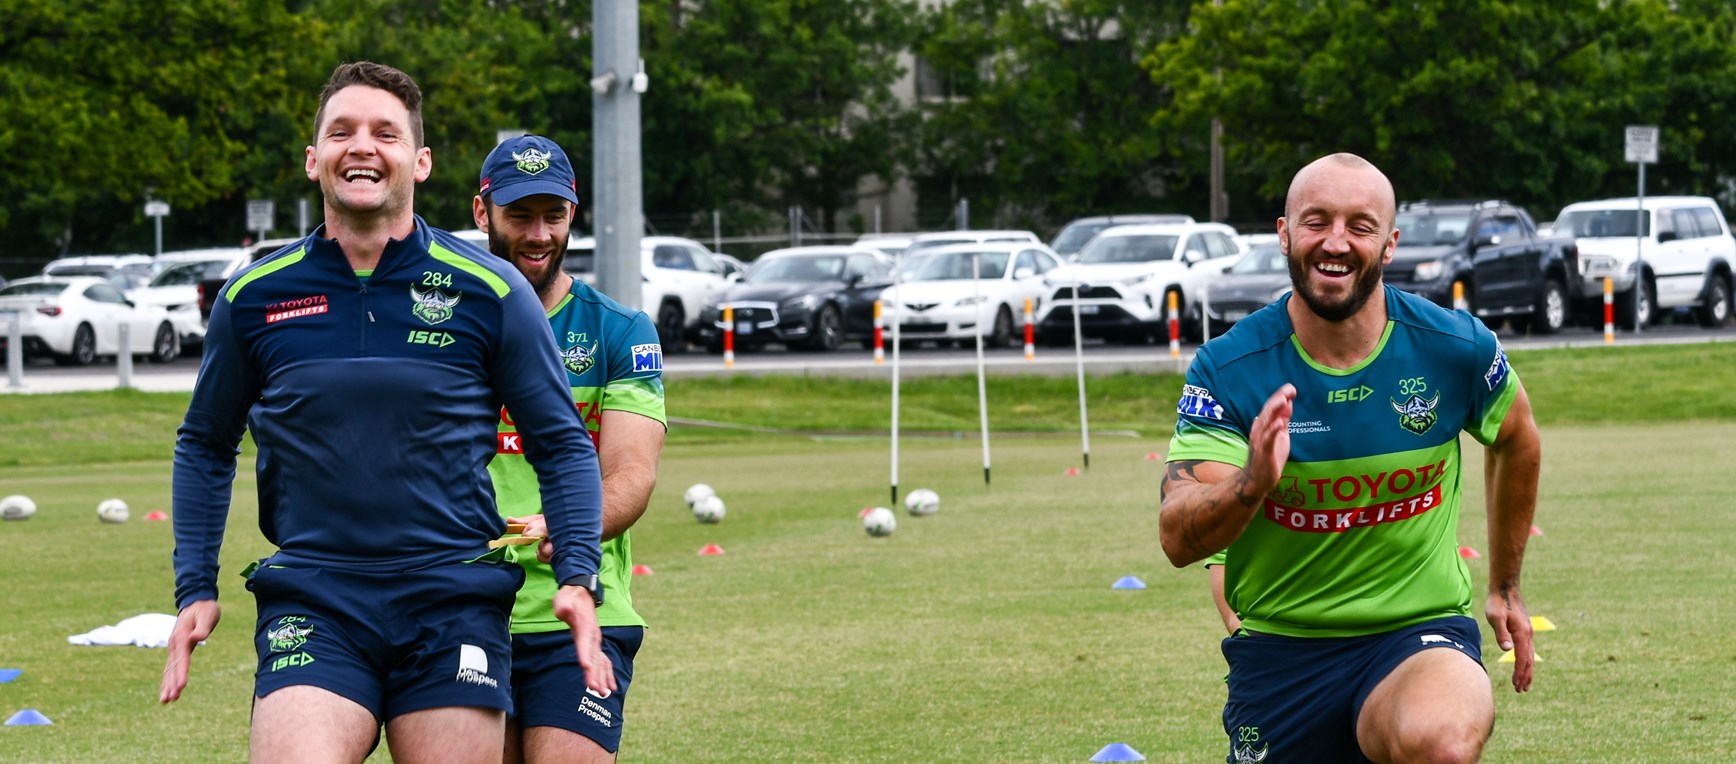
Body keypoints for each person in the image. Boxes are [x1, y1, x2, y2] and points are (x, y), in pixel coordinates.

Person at [160, 62, 615, 764]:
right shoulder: (254, 295)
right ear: (314, 159)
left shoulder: (492, 291)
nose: (362, 146)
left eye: (386, 133)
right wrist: (196, 585)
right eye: (341, 131)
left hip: (453, 599)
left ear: (420, 161)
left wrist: (578, 578)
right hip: (315, 599)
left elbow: (561, 443)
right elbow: (205, 443)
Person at [1159, 152, 1541, 764]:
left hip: (1418, 635)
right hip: (1283, 651)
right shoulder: (1227, 369)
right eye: (1316, 221)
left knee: (1442, 743)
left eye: (1360, 226)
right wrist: (1251, 483)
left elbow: (1517, 436)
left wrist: (1506, 587)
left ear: (1389, 245)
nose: (1336, 242)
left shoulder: (1455, 348)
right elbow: (1178, 538)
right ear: (1284, 233)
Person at [471, 134, 668, 763]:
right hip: (463, 607)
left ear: (572, 215)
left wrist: (570, 526)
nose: (539, 234)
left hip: (580, 609)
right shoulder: (445, 325)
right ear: (482, 213)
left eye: (553, 216)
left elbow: (632, 473)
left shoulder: (620, 330)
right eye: (519, 215)